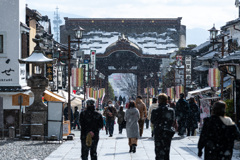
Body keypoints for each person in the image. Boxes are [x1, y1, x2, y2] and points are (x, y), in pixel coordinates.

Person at [151, 93, 175, 160]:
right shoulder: (171, 111)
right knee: (166, 151)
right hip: (167, 132)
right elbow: (172, 121)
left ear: (158, 101)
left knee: (158, 151)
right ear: (166, 101)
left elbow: (152, 121)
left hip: (158, 132)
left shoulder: (155, 111)